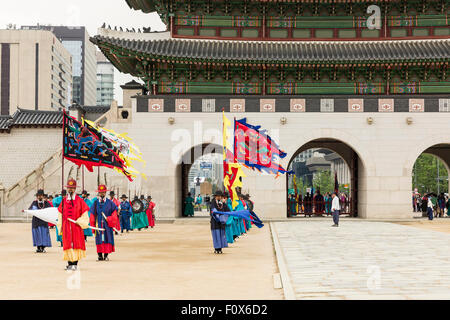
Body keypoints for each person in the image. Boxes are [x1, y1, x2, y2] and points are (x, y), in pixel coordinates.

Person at [57, 179, 90, 270]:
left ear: (75, 189)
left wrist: (80, 221)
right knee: (68, 244)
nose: (70, 190)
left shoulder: (79, 201)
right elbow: (60, 214)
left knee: (76, 244)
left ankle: (75, 263)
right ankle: (69, 263)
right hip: (67, 226)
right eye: (69, 188)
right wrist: (60, 226)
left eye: (72, 188)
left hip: (76, 226)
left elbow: (85, 214)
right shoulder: (64, 201)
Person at [89, 185, 119, 261]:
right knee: (99, 240)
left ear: (105, 192)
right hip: (98, 225)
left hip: (107, 226)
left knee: (107, 239)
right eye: (100, 192)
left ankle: (106, 255)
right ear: (98, 193)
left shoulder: (110, 203)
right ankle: (99, 255)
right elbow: (92, 215)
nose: (102, 194)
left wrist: (110, 219)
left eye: (103, 192)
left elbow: (115, 213)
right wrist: (93, 226)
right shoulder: (95, 203)